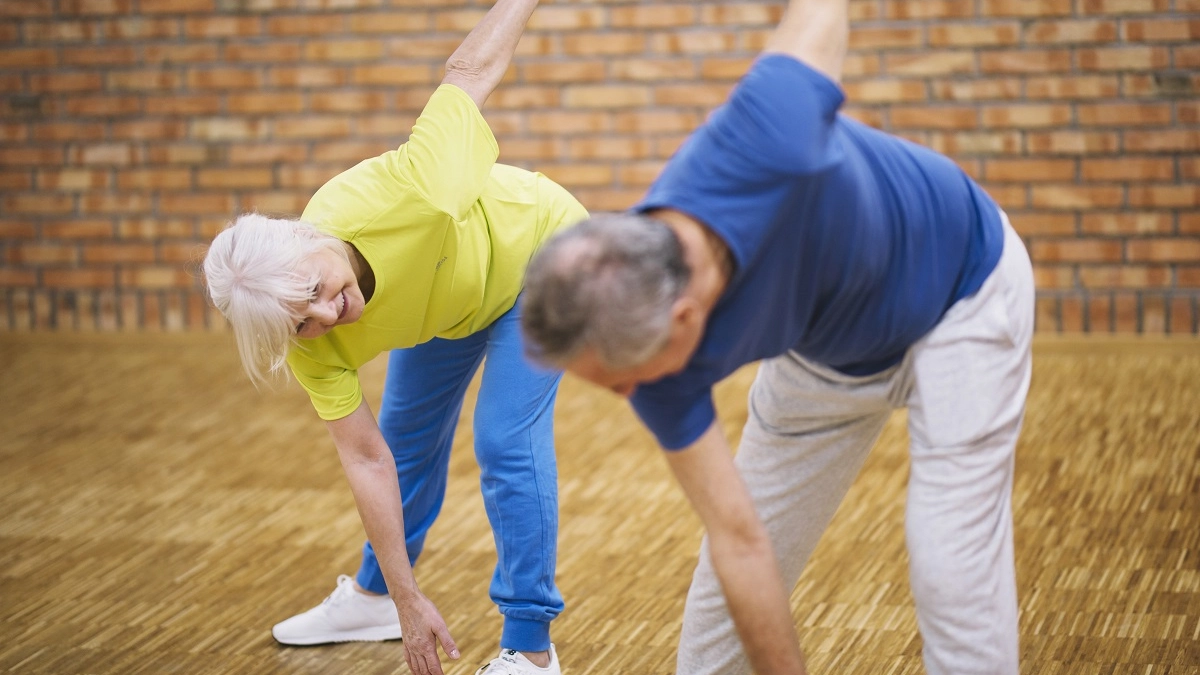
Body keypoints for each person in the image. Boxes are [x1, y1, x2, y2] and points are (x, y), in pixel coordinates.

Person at [519, 0, 1034, 672]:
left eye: (622, 380)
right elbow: (740, 539)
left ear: (683, 321)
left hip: (963, 293)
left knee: (949, 564)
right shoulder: (654, 359)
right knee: (715, 619)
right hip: (825, 348)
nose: (627, 396)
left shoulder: (768, 133)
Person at [202, 1, 585, 673]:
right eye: (301, 321)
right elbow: (367, 459)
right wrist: (411, 601)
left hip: (542, 256)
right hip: (451, 303)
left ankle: (531, 646)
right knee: (403, 439)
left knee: (503, 436)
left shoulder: (410, 189)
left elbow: (468, 70)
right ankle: (377, 594)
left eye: (315, 290)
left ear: (309, 238)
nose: (327, 316)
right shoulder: (309, 339)